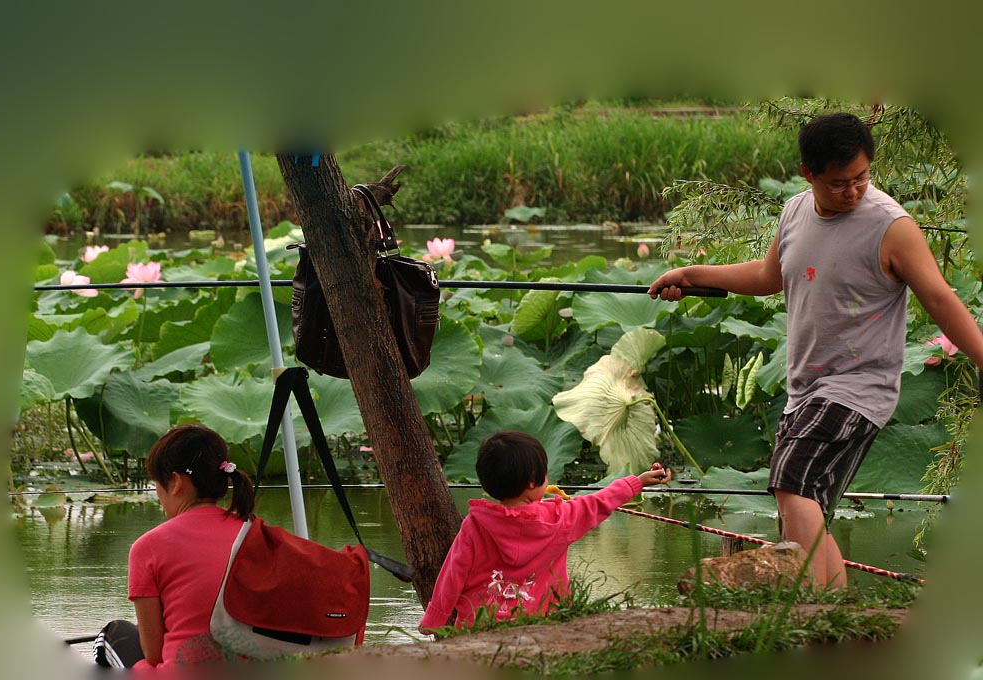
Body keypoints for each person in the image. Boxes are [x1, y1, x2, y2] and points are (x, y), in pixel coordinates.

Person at [649, 111, 983, 588]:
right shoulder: (795, 211)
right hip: (806, 388)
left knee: (789, 479)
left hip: (859, 387)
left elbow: (940, 298)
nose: (853, 191)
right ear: (809, 173)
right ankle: (832, 611)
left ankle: (813, 607)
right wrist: (692, 274)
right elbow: (769, 278)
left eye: (862, 178)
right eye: (839, 182)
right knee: (804, 511)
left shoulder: (891, 227)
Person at [418, 430, 670, 634]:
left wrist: (434, 619)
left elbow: (452, 575)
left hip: (478, 628)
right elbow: (600, 501)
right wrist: (637, 482)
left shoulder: (475, 525)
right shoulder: (560, 519)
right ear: (531, 481)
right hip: (542, 628)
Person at [93, 424, 255, 669]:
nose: (157, 492)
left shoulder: (148, 547)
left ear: (177, 482)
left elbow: (154, 653)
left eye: (157, 482)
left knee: (112, 635)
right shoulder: (256, 532)